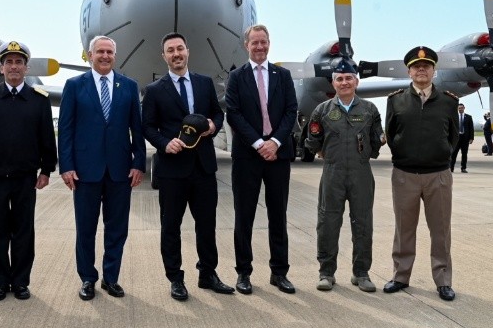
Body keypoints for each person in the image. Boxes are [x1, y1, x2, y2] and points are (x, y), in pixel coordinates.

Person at [141, 32, 234, 301]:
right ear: (164, 56)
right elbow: (147, 126)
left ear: (188, 51)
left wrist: (215, 125)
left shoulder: (205, 84)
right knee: (171, 226)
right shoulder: (155, 90)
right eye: (170, 50)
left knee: (207, 225)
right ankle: (175, 278)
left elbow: (217, 112)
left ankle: (208, 274)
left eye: (180, 49)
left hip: (203, 167)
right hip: (172, 169)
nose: (176, 54)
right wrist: (163, 143)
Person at [57, 35, 146, 301]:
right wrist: (67, 166)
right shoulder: (74, 85)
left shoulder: (128, 86)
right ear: (90, 54)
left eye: (109, 52)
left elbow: (137, 129)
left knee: (117, 228)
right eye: (100, 52)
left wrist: (138, 162)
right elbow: (66, 129)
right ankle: (87, 278)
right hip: (85, 171)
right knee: (85, 228)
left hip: (120, 171)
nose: (105, 56)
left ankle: (111, 278)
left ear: (114, 56)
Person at [0, 41, 58, 302]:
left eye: (19, 62)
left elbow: (46, 138)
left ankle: (20, 282)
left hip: (25, 178)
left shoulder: (39, 100)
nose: (14, 66)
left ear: (26, 67)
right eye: (9, 62)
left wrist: (46, 170)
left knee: (23, 232)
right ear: (1, 67)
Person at [225, 24, 298, 295]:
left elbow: (291, 110)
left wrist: (275, 142)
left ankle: (279, 273)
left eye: (263, 42)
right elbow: (233, 113)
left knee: (278, 216)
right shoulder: (236, 77)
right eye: (254, 42)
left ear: (269, 43)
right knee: (244, 216)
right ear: (246, 45)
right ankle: (243, 273)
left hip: (278, 155)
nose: (259, 47)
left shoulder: (283, 75)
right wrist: (258, 143)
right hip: (247, 156)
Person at [383, 46, 459, 301]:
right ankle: (400, 276)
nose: (421, 69)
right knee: (404, 229)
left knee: (440, 230)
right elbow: (391, 134)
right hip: (405, 174)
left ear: (434, 71)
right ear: (409, 71)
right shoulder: (396, 100)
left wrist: (442, 155)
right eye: (416, 66)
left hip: (438, 175)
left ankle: (443, 280)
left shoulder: (449, 101)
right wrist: (404, 156)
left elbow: (453, 137)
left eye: (426, 66)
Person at [305, 59, 384, 293]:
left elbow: (376, 142)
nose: (344, 82)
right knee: (327, 223)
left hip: (361, 173)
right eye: (339, 79)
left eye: (349, 78)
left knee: (363, 223)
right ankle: (326, 273)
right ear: (334, 83)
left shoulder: (369, 110)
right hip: (332, 173)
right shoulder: (322, 110)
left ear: (356, 81)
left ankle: (361, 273)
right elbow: (313, 143)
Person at [450, 103, 474, 172]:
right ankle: (451, 168)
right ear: (457, 109)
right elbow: (451, 127)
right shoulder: (454, 117)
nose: (460, 109)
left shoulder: (469, 117)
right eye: (459, 108)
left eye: (461, 108)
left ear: (464, 108)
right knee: (454, 153)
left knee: (464, 154)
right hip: (456, 138)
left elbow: (471, 128)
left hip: (465, 138)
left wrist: (471, 138)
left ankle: (463, 168)